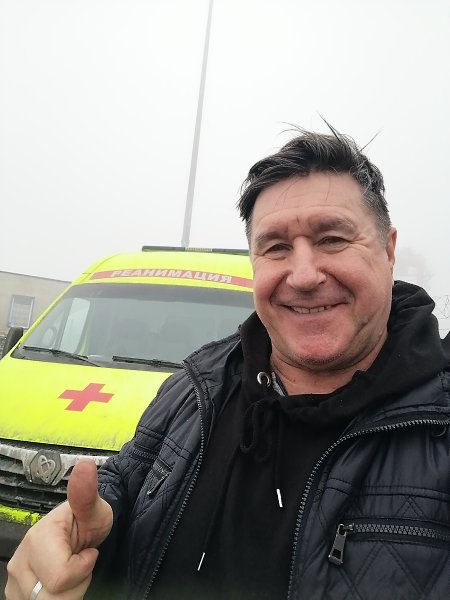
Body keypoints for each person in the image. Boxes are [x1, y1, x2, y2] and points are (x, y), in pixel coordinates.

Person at [6, 128, 450, 600]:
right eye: (275, 247)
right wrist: (92, 531)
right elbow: (129, 479)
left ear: (388, 250)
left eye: (333, 239)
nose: (303, 275)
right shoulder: (195, 385)